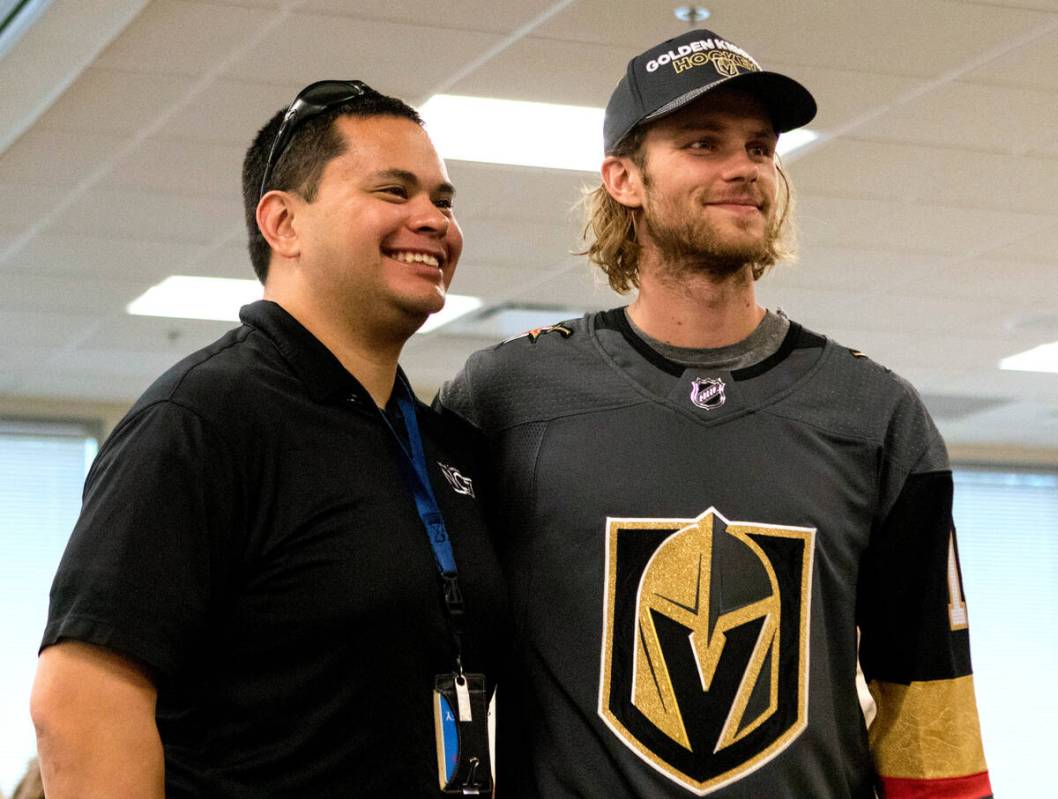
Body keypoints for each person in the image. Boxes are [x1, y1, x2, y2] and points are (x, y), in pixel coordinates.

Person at [438, 29, 991, 798]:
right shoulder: (508, 398)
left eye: (760, 148)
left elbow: (928, 698)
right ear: (623, 178)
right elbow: (433, 663)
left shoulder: (874, 414)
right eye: (703, 143)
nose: (745, 169)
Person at [31, 80, 507, 798]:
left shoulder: (444, 445)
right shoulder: (202, 419)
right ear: (283, 223)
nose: (433, 221)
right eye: (393, 191)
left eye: (442, 201)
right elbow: (79, 702)